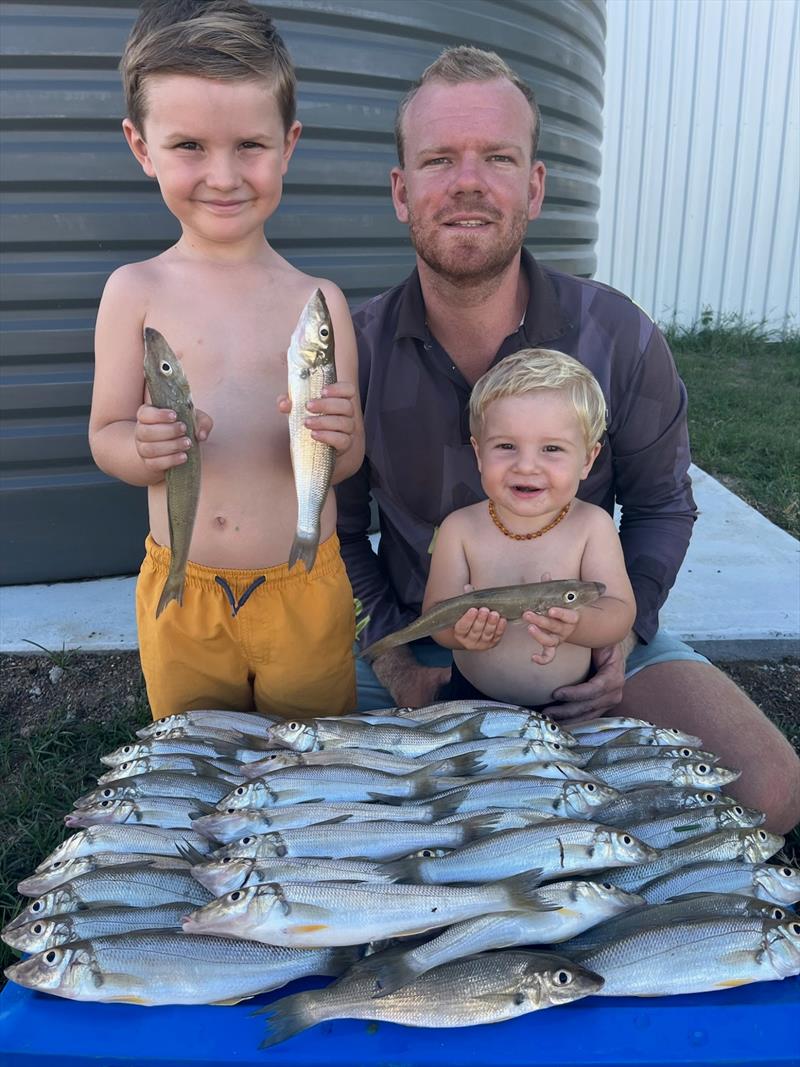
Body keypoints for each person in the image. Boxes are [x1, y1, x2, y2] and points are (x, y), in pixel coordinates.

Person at [335, 46, 800, 832]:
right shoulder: (356, 349)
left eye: (498, 158)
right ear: (401, 191)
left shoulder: (618, 336)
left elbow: (661, 509)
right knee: (279, 797)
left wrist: (622, 634)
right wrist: (393, 653)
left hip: (582, 638)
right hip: (422, 636)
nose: (469, 182)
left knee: (770, 791)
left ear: (536, 186)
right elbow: (336, 531)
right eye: (440, 159)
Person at [89, 0, 364, 721]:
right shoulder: (134, 293)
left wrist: (340, 431)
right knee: (192, 756)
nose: (223, 175)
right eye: (189, 146)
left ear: (289, 144)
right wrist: (141, 446)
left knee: (310, 762)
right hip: (185, 590)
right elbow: (106, 435)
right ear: (141, 146)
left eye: (250, 145)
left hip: (305, 585)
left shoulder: (319, 303)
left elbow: (353, 455)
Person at [424, 348, 636, 707]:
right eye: (506, 446)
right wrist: (460, 634)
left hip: (567, 705)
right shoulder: (458, 529)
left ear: (587, 459)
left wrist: (577, 624)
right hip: (472, 702)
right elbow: (435, 616)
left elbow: (619, 612)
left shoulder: (592, 527)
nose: (526, 466)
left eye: (551, 448)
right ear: (478, 453)